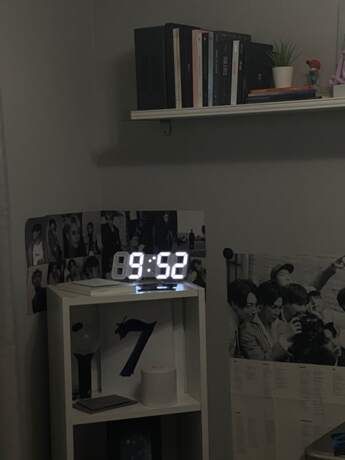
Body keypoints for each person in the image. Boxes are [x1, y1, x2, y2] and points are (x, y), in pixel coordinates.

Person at [239, 281, 289, 361]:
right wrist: (285, 340)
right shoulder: (247, 329)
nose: (277, 313)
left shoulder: (280, 324)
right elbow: (260, 361)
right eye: (274, 307)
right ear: (261, 306)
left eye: (279, 308)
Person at [228, 279, 258, 357]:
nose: (254, 311)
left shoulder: (235, 321)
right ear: (234, 304)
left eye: (255, 305)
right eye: (249, 306)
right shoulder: (228, 327)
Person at [101, 212, 122, 276]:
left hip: (115, 249)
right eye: (108, 219)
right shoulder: (104, 228)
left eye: (111, 219)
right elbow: (105, 240)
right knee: (107, 265)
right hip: (107, 249)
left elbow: (118, 240)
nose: (110, 221)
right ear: (107, 220)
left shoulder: (116, 229)